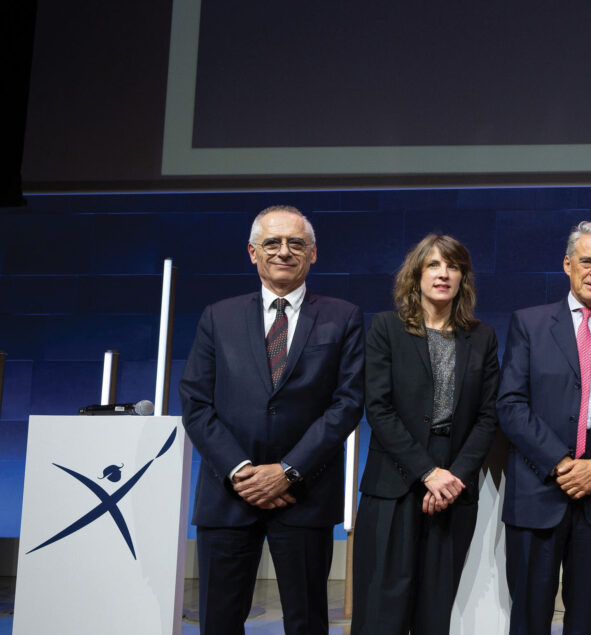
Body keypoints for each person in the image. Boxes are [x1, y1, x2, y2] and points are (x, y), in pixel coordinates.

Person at [179, 205, 365, 635]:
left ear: (313, 254)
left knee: (307, 622)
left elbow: (347, 403)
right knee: (219, 622)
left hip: (304, 495)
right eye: (272, 243)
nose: (284, 251)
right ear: (252, 252)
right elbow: (195, 401)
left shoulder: (343, 317)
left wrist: (287, 472)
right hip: (228, 495)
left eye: (296, 243)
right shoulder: (217, 316)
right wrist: (242, 471)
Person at [495, 221, 591, 635]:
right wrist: (562, 463)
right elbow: (510, 404)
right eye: (587, 261)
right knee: (529, 616)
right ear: (568, 265)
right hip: (538, 492)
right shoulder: (528, 324)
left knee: (585, 619)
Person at [352, 234, 501, 634]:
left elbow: (489, 415)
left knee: (436, 611)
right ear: (416, 274)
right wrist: (427, 472)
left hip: (454, 482)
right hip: (396, 480)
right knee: (382, 607)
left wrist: (453, 477)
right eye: (433, 265)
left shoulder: (482, 337)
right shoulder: (386, 328)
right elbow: (379, 409)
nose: (443, 274)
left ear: (463, 278)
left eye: (453, 266)